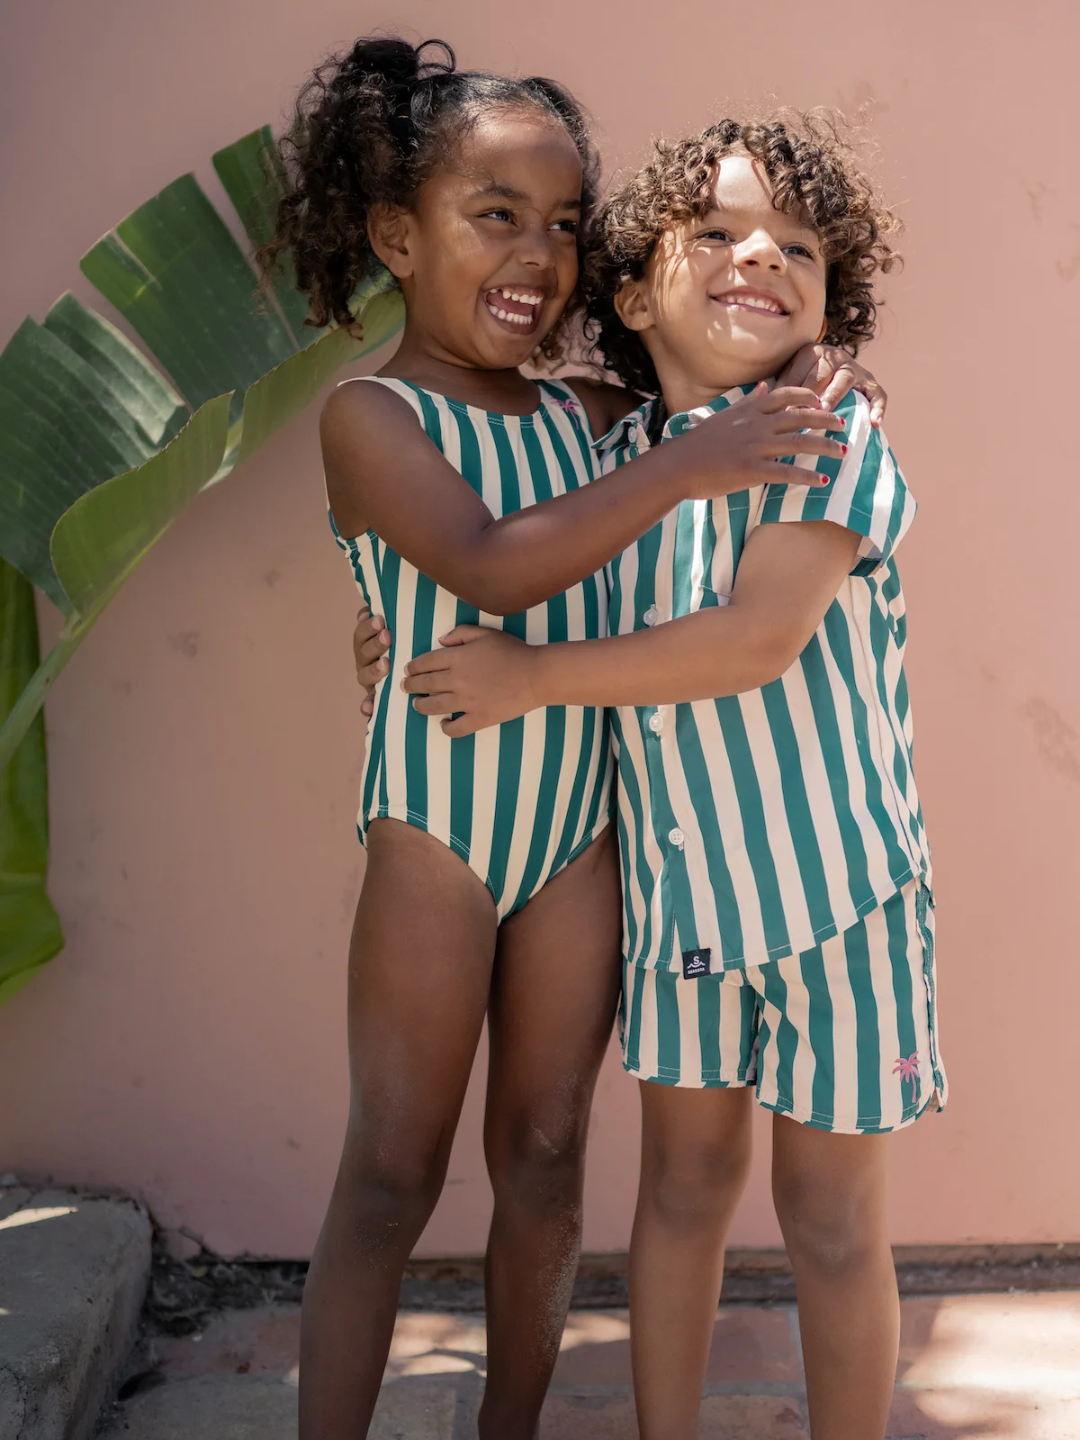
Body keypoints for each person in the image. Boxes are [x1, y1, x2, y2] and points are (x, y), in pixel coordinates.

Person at [382, 115, 944, 1440]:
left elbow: (754, 639)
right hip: (687, 913)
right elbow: (529, 581)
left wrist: (529, 683)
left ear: (828, 295)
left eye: (797, 245)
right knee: (682, 1194)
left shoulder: (828, 438)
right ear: (635, 292)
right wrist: (397, 634)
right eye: (720, 233)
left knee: (829, 1218)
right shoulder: (614, 470)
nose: (763, 255)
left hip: (846, 907)